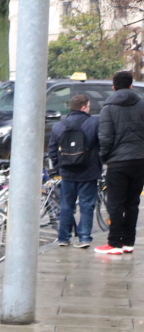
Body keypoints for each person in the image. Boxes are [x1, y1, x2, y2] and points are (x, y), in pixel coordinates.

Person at [96, 70, 144, 254]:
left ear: (113, 86)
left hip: (117, 162)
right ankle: (128, 242)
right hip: (140, 160)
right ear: (132, 85)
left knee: (115, 203)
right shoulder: (142, 104)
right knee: (132, 203)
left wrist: (104, 157)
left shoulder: (108, 108)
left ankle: (114, 242)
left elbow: (105, 138)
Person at [47, 93, 100, 248]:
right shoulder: (94, 123)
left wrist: (59, 167)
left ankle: (64, 237)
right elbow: (103, 144)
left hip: (67, 172)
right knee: (87, 205)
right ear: (83, 107)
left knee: (66, 205)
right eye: (89, 106)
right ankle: (84, 238)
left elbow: (52, 150)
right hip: (88, 172)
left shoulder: (59, 126)